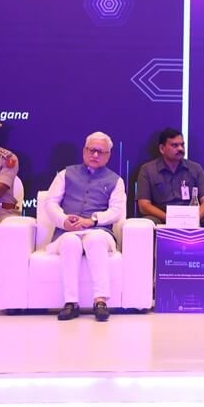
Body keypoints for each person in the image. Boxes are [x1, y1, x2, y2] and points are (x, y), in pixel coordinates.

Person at [43, 132, 126, 322]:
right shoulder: (65, 174)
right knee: (71, 242)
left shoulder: (116, 180)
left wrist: (93, 220)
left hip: (99, 231)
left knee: (94, 239)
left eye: (100, 152)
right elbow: (50, 202)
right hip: (67, 231)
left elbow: (117, 210)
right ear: (84, 151)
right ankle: (71, 303)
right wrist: (63, 220)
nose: (95, 155)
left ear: (108, 156)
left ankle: (100, 301)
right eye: (92, 150)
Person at [136, 127, 204, 225]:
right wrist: (169, 218)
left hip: (191, 217)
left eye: (182, 145)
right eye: (174, 145)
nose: (180, 149)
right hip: (161, 217)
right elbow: (144, 205)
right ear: (162, 149)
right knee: (146, 223)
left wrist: (194, 218)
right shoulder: (148, 170)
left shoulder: (195, 168)